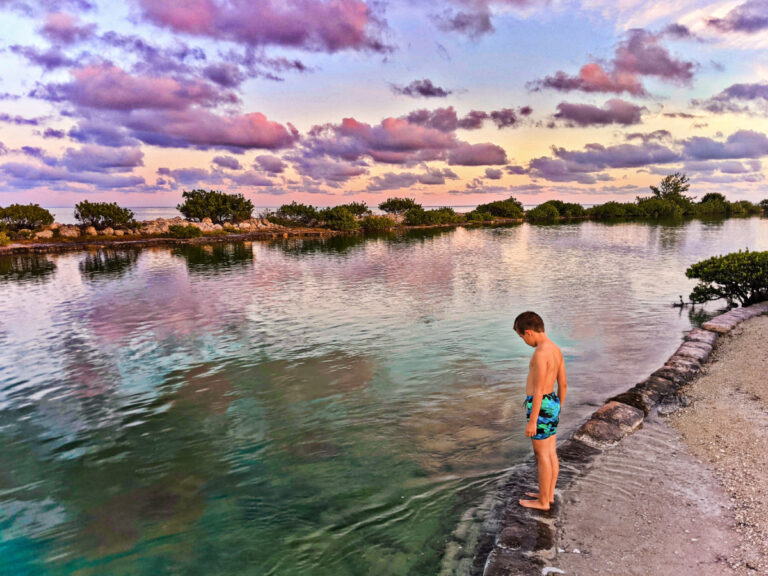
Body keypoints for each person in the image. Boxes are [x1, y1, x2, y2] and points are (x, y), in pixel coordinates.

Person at [514, 311, 566, 511]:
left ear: (528, 332)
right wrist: (558, 408)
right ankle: (548, 495)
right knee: (551, 452)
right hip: (552, 402)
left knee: (541, 454)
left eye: (521, 337)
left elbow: (538, 391)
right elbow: (563, 384)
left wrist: (533, 421)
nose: (524, 341)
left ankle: (543, 502)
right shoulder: (555, 349)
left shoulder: (540, 353)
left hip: (541, 405)